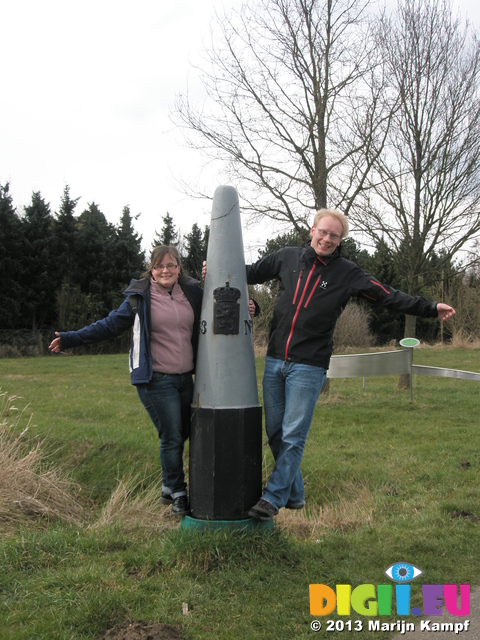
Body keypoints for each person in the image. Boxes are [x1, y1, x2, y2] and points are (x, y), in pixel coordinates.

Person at [245, 209, 456, 521]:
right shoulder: (286, 258)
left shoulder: (348, 273)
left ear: (340, 240)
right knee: (275, 431)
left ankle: (273, 498)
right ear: (312, 230)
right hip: (275, 359)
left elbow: (389, 296)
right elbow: (247, 272)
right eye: (324, 232)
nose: (327, 239)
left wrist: (428, 307)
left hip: (309, 365)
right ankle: (296, 494)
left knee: (292, 434)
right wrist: (216, 267)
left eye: (335, 236)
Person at [50, 245, 257, 517]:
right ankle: (177, 490)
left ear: (179, 268)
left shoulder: (192, 291)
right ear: (151, 269)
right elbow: (109, 325)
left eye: (171, 265)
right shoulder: (140, 297)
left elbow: (222, 302)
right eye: (159, 266)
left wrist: (253, 306)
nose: (165, 271)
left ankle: (168, 485)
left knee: (186, 431)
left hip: (186, 378)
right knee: (171, 435)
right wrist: (71, 338)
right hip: (155, 379)